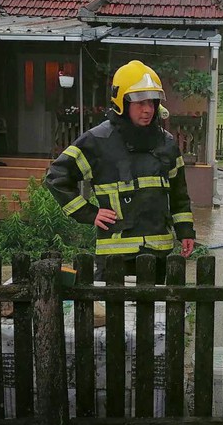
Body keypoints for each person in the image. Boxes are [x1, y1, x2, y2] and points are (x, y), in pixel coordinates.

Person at [45, 60, 195, 282]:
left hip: (158, 254)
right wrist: (90, 213)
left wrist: (185, 232)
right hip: (115, 259)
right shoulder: (98, 141)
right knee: (111, 316)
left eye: (152, 102)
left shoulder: (167, 144)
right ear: (122, 102)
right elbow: (57, 177)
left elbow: (179, 194)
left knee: (151, 315)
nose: (148, 109)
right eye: (140, 102)